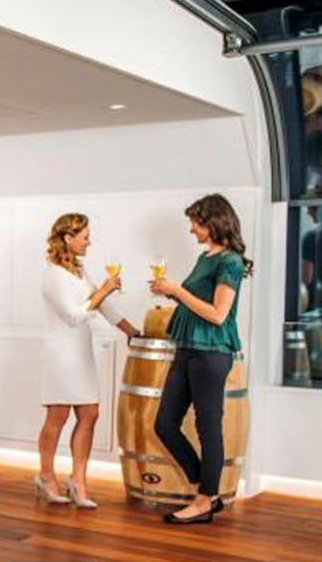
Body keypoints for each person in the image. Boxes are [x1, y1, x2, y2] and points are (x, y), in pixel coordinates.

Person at [150, 194, 253, 525]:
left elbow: (219, 314)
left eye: (196, 222)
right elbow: (196, 300)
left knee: (209, 427)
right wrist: (171, 293)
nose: (192, 229)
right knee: (164, 423)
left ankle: (204, 500)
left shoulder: (230, 262)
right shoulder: (205, 257)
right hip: (187, 349)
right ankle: (208, 489)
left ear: (213, 222)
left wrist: (177, 291)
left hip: (211, 352)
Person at [36, 214, 139, 508]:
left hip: (80, 352)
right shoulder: (53, 274)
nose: (89, 242)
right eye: (85, 237)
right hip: (60, 355)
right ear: (68, 238)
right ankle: (45, 475)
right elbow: (73, 315)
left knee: (89, 415)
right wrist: (103, 290)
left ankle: (78, 481)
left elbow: (101, 303)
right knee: (57, 417)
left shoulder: (78, 271)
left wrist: (130, 330)